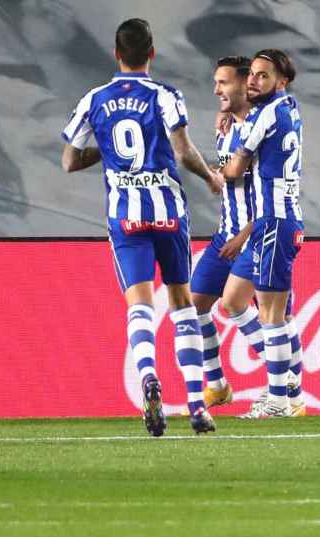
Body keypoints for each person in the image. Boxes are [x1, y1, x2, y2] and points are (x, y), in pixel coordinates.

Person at [61, 19, 225, 436]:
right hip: (168, 211)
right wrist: (209, 177)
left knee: (139, 304)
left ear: (116, 54)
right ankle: (195, 405)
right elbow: (183, 151)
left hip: (125, 216)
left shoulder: (94, 99)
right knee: (181, 302)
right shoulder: (166, 95)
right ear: (152, 53)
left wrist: (110, 149)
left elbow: (69, 160)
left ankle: (149, 375)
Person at [192, 57, 306, 418]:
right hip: (232, 229)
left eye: (224, 83)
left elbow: (241, 173)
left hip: (259, 228)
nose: (217, 90)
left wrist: (246, 232)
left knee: (270, 312)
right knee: (202, 303)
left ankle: (285, 392)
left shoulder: (261, 120)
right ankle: (224, 385)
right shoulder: (238, 122)